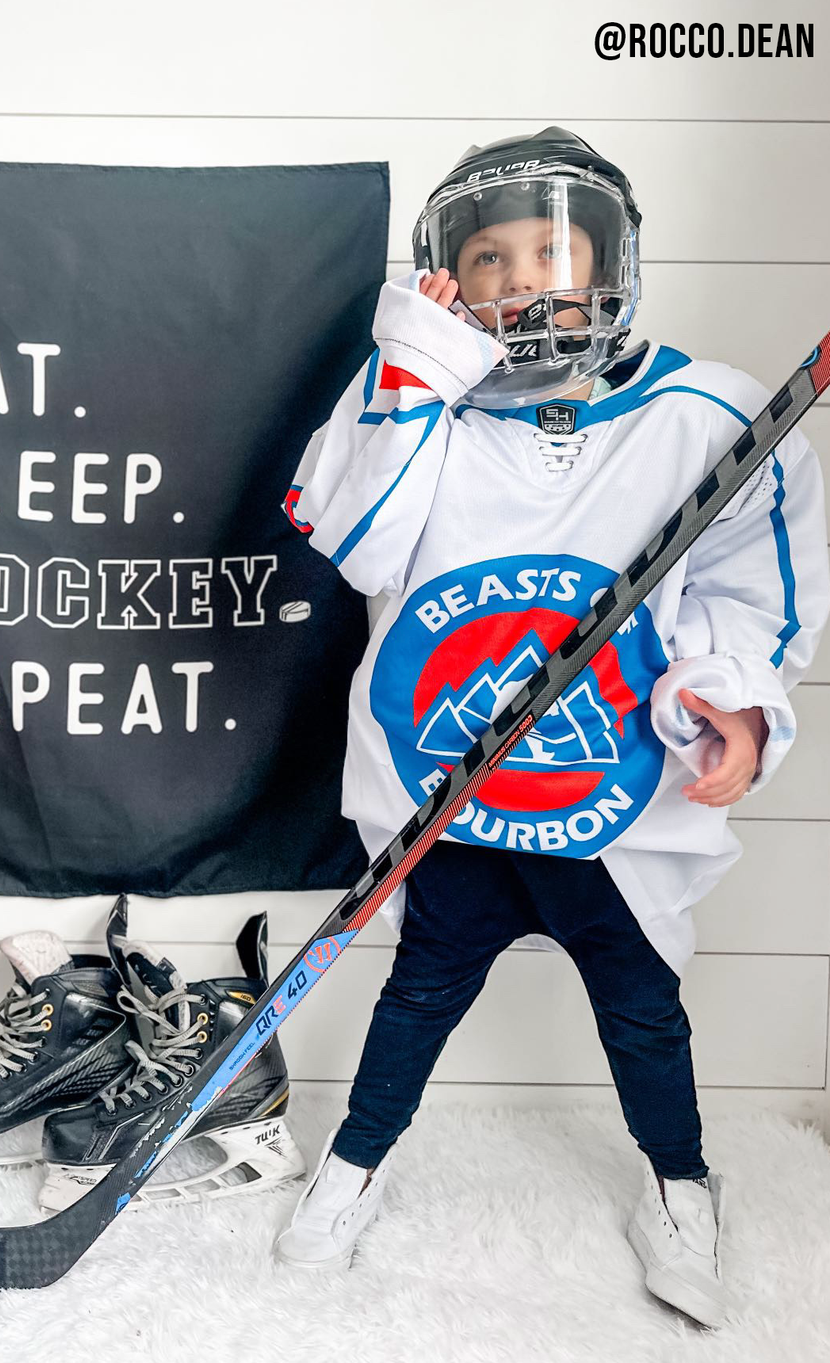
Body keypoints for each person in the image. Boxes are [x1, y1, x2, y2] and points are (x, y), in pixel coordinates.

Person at [272, 126, 830, 1329]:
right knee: (418, 990)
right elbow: (356, 540)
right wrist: (414, 370)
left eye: (550, 247)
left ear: (613, 258)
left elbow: (756, 583)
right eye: (487, 258)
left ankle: (681, 1184)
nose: (522, 278)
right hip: (456, 792)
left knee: (640, 1008)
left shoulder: (706, 412)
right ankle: (356, 1166)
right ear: (446, 281)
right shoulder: (413, 398)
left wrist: (727, 688)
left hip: (613, 796)